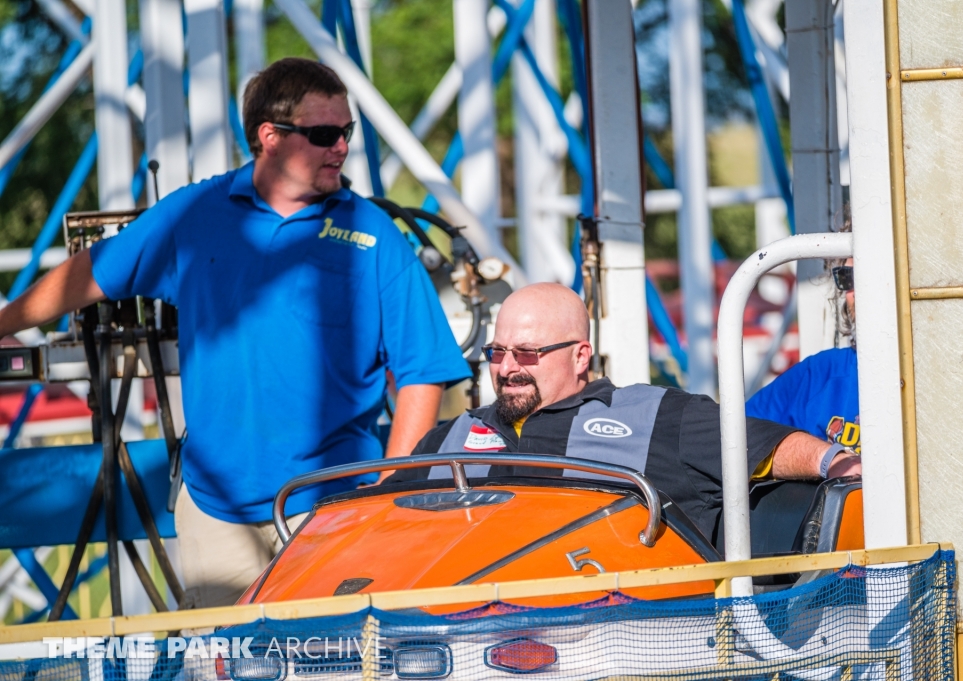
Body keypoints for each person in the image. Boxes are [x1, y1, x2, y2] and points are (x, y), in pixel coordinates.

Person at [0, 58, 470, 608]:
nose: (340, 148)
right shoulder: (195, 213)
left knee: (339, 663)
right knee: (224, 664)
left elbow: (425, 372)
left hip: (334, 507)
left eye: (346, 132)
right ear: (269, 136)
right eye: (324, 135)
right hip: (216, 513)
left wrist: (390, 493)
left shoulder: (373, 234)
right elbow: (90, 275)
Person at [388, 283, 861, 543]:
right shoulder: (452, 437)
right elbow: (379, 513)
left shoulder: (655, 415)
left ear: (579, 356)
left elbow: (763, 443)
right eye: (496, 352)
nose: (507, 368)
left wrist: (836, 464)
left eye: (527, 353)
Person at [747, 244, 859, 450]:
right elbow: (733, 439)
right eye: (847, 277)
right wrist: (817, 458)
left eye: (872, 272)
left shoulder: (931, 374)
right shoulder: (820, 374)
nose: (858, 290)